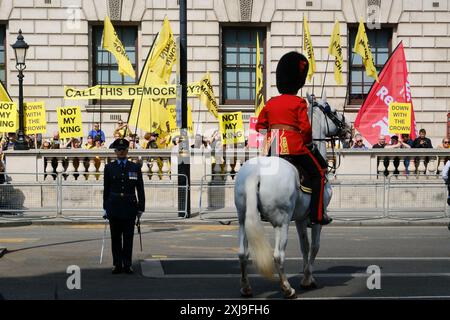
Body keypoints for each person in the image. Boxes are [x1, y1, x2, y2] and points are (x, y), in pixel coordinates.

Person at [255, 51, 331, 226]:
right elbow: (305, 129)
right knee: (319, 174)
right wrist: (309, 144)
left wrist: (270, 140)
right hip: (294, 147)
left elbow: (259, 126)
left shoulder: (271, 102)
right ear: (298, 82)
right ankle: (317, 215)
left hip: (273, 149)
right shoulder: (299, 103)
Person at [103, 138, 145, 274]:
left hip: (129, 207)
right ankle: (117, 264)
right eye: (118, 150)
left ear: (127, 151)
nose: (121, 152)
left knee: (128, 237)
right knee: (115, 237)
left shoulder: (135, 167)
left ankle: (127, 264)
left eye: (123, 150)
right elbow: (107, 189)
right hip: (114, 206)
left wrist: (141, 207)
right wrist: (105, 207)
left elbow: (140, 189)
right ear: (115, 152)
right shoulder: (109, 167)